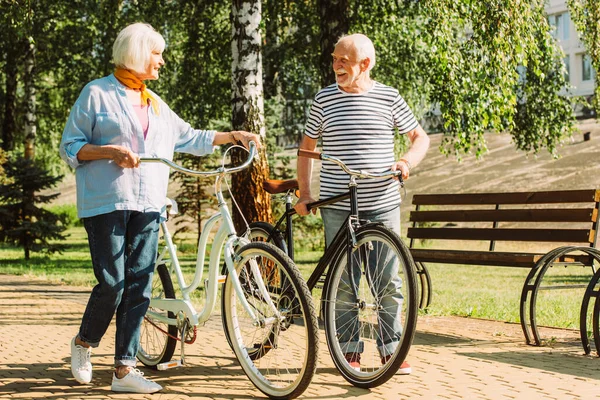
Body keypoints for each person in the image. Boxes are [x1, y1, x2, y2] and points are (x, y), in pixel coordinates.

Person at [59, 22, 260, 394]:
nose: (162, 62)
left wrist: (233, 136)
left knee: (139, 286)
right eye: (157, 53)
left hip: (149, 202)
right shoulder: (97, 94)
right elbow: (70, 146)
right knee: (112, 283)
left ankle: (124, 370)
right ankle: (84, 343)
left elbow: (191, 137)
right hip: (106, 202)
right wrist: (109, 152)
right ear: (137, 52)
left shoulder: (154, 102)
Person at [294, 33, 430, 375]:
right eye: (334, 58)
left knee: (389, 281)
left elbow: (419, 137)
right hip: (339, 205)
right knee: (343, 284)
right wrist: (305, 193)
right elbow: (307, 148)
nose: (336, 65)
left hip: (382, 202)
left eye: (344, 60)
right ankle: (349, 352)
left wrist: (406, 162)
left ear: (365, 64)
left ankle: (391, 351)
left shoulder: (388, 97)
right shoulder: (324, 100)